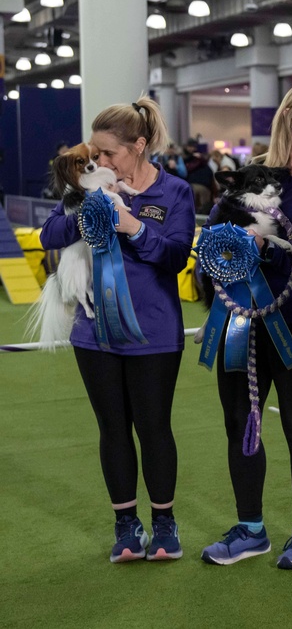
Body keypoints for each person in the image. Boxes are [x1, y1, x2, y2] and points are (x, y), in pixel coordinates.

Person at [39, 96, 195, 563]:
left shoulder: (176, 192)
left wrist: (133, 227)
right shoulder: (89, 190)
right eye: (96, 153)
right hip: (95, 333)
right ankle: (126, 526)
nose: (98, 162)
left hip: (155, 332)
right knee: (112, 429)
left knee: (154, 428)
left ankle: (164, 525)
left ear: (139, 145)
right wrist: (84, 216)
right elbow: (49, 235)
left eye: (108, 154)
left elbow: (175, 257)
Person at [200, 81, 292, 570]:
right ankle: (251, 529)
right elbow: (212, 242)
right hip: (240, 320)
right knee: (239, 423)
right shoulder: (250, 173)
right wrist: (231, 247)